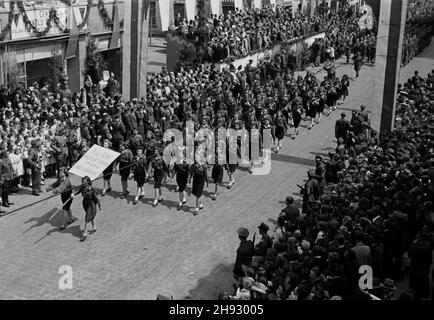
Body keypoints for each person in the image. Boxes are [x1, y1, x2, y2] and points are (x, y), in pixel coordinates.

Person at [73, 176, 101, 242]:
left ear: (88, 182)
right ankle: (94, 227)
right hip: (85, 204)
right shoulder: (82, 188)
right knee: (90, 216)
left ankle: (85, 233)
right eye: (82, 181)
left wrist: (99, 206)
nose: (82, 183)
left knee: (87, 218)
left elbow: (97, 198)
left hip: (91, 204)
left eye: (84, 182)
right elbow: (78, 191)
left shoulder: (92, 189)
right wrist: (73, 194)